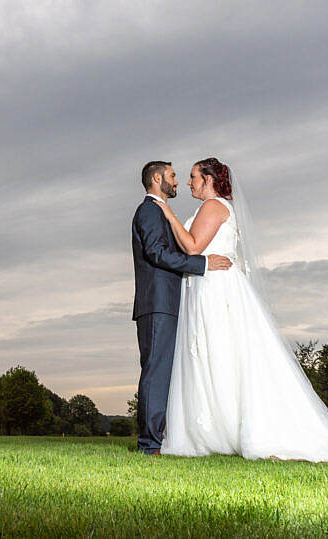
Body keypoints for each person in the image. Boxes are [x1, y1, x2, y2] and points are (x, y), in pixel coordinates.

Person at [153, 157, 328, 461]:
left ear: (209, 179)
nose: (189, 182)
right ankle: (217, 429)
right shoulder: (210, 207)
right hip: (204, 285)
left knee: (220, 352)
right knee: (212, 354)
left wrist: (168, 213)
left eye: (194, 176)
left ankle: (229, 428)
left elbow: (194, 247)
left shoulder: (213, 206)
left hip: (215, 289)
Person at [131, 161, 234, 455]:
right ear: (157, 178)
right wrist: (202, 264)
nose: (178, 182)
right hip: (158, 303)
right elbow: (156, 253)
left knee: (164, 371)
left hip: (170, 302)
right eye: (174, 176)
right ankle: (149, 445)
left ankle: (159, 439)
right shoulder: (149, 210)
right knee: (156, 372)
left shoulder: (160, 211)